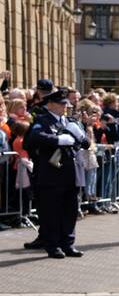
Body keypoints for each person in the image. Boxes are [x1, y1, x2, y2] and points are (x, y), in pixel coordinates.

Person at [23, 88, 83, 258]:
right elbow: (32, 140)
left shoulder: (69, 121)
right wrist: (57, 140)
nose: (65, 107)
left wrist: (78, 139)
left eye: (66, 104)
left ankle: (68, 243)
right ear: (50, 105)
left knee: (69, 209)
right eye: (61, 104)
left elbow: (82, 142)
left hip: (68, 171)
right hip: (50, 172)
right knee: (51, 211)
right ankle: (52, 245)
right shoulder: (43, 120)